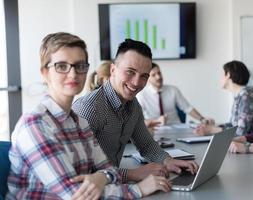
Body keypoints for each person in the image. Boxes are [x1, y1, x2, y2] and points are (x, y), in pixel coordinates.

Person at [6, 32, 172, 199]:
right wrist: (139, 189)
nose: (73, 74)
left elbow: (107, 169)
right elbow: (76, 195)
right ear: (44, 72)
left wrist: (103, 176)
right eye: (61, 66)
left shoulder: (79, 122)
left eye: (80, 66)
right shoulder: (35, 126)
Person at [73, 39, 198, 182]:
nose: (137, 82)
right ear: (113, 70)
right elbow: (82, 173)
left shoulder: (133, 104)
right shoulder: (89, 108)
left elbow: (146, 145)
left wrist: (168, 161)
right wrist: (132, 174)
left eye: (144, 76)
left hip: (113, 184)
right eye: (130, 72)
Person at [194, 60, 253, 136]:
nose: (220, 79)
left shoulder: (246, 95)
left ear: (228, 74)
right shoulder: (241, 94)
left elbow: (240, 132)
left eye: (222, 75)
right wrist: (213, 127)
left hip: (251, 144)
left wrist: (212, 130)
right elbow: (233, 125)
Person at [136, 62, 213, 125]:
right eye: (153, 75)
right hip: (154, 130)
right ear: (147, 79)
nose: (158, 77)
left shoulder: (173, 90)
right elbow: (138, 121)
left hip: (176, 127)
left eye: (159, 73)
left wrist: (202, 119)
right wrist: (156, 122)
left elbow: (187, 108)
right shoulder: (141, 95)